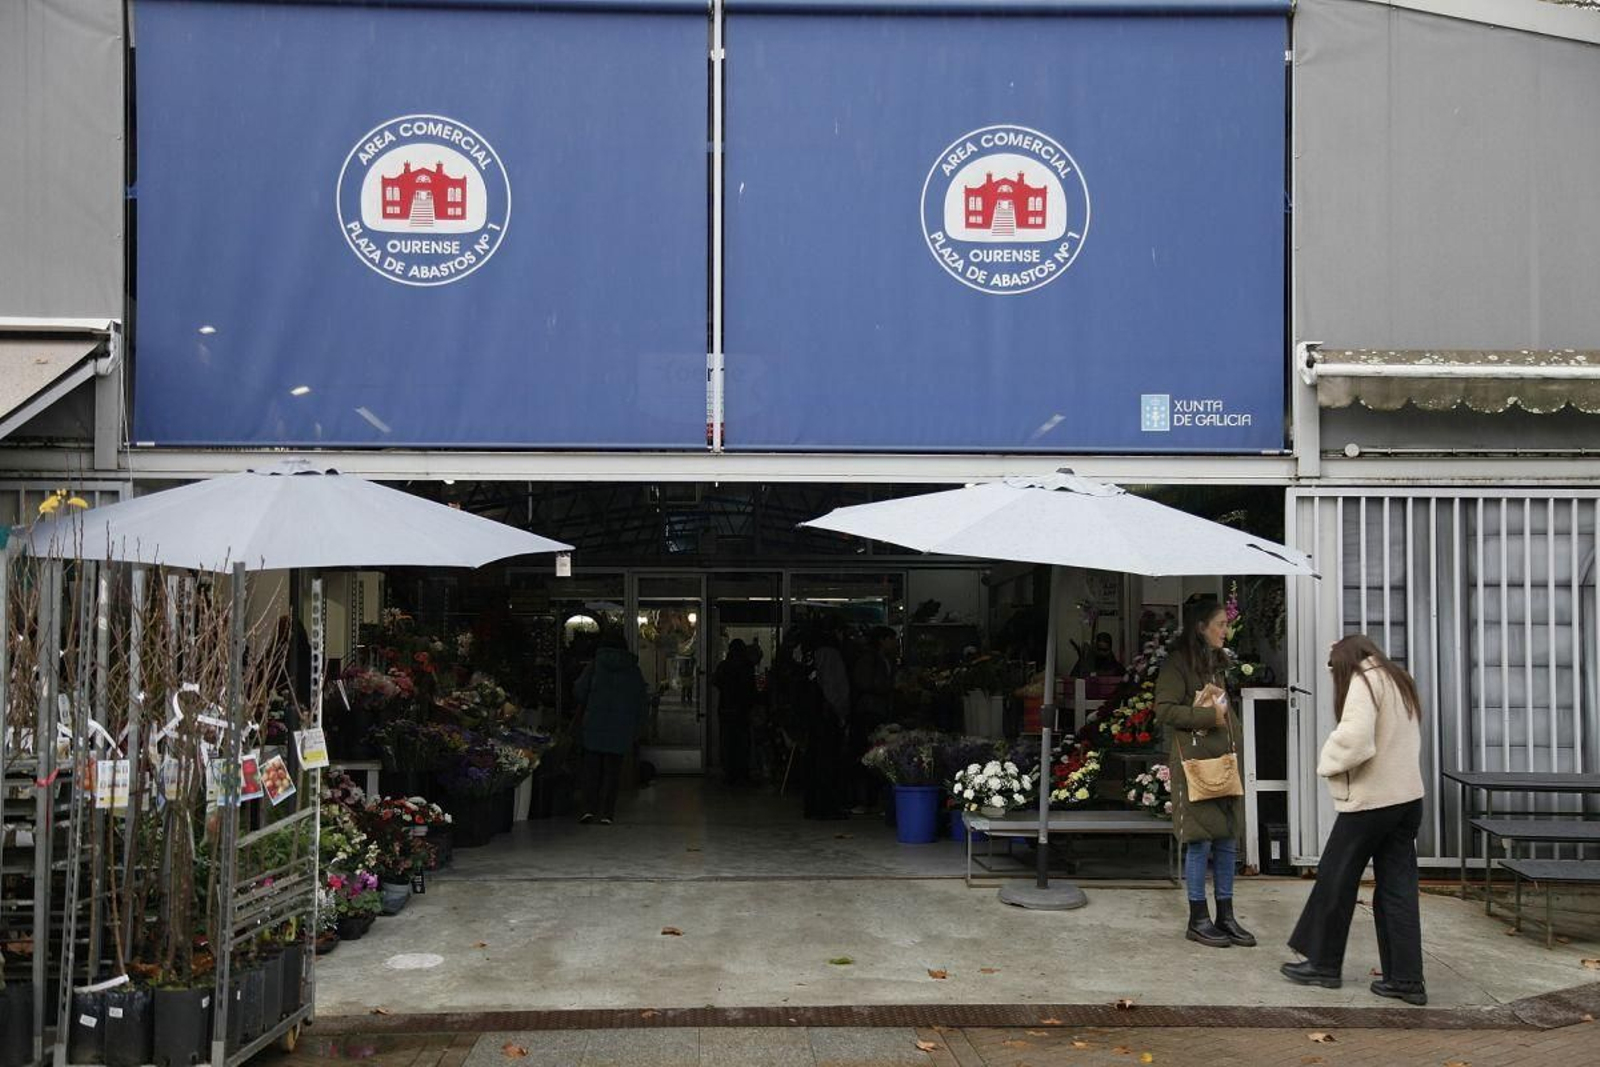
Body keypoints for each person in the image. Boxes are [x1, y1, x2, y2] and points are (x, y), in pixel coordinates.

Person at [1283, 634, 1427, 1004]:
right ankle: (1406, 981)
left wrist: (1325, 762)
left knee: (1335, 878)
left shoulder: (1364, 681)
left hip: (1372, 801)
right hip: (1408, 798)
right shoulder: (1398, 677)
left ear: (1345, 662)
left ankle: (1323, 965)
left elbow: (1356, 740)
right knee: (1397, 888)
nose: (1335, 677)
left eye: (1334, 669)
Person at [1152, 597, 1255, 949]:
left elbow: (1224, 709)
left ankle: (1226, 915)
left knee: (1227, 839)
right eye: (1220, 625)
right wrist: (1206, 718)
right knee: (1200, 842)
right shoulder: (1177, 665)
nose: (1226, 631)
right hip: (1195, 766)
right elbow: (1164, 711)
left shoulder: (1216, 663)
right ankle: (1198, 917)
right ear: (1201, 627)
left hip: (1224, 762)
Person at [572, 635, 647, 825]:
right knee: (612, 773)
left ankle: (589, 809)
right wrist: (638, 727)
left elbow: (579, 691)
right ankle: (607, 813)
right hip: (620, 728)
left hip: (594, 725)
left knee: (592, 770)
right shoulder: (633, 669)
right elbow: (641, 700)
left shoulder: (595, 665)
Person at [801, 622, 851, 820]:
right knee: (828, 763)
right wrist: (842, 715)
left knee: (813, 762)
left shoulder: (808, 653)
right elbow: (835, 690)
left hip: (813, 717)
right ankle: (827, 807)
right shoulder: (831, 654)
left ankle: (812, 806)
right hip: (827, 717)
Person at [848, 626, 897, 813]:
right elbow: (864, 682)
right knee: (868, 754)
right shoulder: (869, 659)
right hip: (869, 712)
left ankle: (873, 799)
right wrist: (887, 688)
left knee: (878, 755)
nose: (894, 643)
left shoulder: (885, 660)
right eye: (892, 639)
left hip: (878, 711)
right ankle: (864, 800)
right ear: (882, 640)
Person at [713, 639, 757, 786]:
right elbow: (751, 689)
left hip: (726, 709)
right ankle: (743, 772)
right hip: (742, 710)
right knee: (743, 743)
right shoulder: (747, 666)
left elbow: (716, 681)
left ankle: (730, 773)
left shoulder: (724, 666)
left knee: (728, 742)